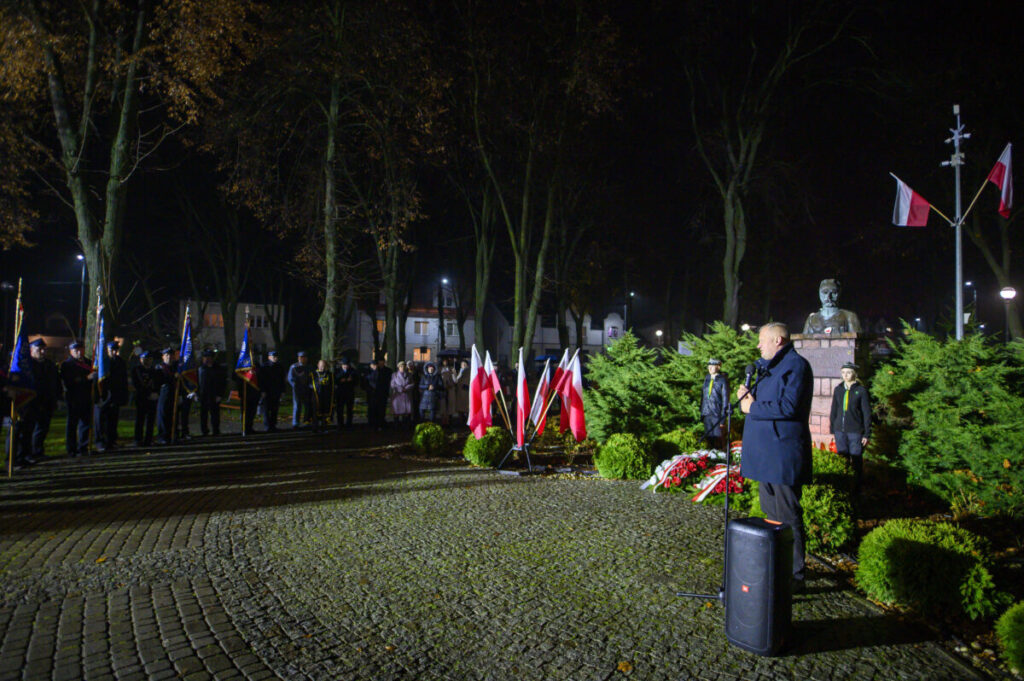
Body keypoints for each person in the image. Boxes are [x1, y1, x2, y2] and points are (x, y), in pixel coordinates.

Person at [738, 322, 813, 593]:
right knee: (771, 514)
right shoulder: (769, 369)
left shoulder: (796, 366)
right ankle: (778, 566)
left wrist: (753, 406)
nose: (758, 345)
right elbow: (768, 402)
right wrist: (749, 397)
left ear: (778, 340)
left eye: (762, 340)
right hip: (767, 455)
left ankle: (796, 575)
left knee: (788, 515)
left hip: (782, 454)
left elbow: (789, 406)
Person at [829, 361, 871, 497]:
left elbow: (866, 412)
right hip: (839, 430)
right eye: (843, 373)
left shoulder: (861, 391)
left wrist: (866, 433)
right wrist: (832, 430)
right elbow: (834, 410)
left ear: (854, 374)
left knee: (856, 459)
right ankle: (844, 487)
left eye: (848, 372)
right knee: (843, 458)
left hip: (855, 431)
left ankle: (857, 488)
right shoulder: (838, 389)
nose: (845, 375)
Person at [60, 341, 93, 457]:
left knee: (85, 423)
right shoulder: (67, 365)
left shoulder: (89, 362)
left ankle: (83, 446)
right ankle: (71, 449)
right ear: (71, 351)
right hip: (74, 398)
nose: (79, 352)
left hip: (87, 397)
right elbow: (70, 381)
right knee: (72, 424)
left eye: (81, 349)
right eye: (76, 350)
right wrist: (86, 378)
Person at [94, 341, 128, 452]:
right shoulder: (103, 362)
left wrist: (123, 396)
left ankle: (111, 441)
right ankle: (100, 442)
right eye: (112, 350)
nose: (114, 352)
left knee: (113, 420)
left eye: (116, 350)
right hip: (103, 396)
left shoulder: (120, 362)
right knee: (100, 421)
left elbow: (123, 380)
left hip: (115, 395)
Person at [700, 358, 729, 450]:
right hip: (706, 413)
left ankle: (720, 459)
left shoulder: (722, 380)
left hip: (716, 413)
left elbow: (725, 399)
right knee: (709, 440)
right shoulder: (707, 379)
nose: (710, 368)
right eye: (709, 366)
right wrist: (702, 412)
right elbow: (703, 396)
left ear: (718, 367)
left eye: (713, 366)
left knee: (718, 440)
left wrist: (723, 419)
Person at [131, 351, 159, 447]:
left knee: (151, 420)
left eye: (149, 359)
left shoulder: (154, 371)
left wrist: (155, 393)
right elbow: (137, 384)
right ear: (141, 359)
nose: (147, 361)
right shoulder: (137, 370)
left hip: (152, 398)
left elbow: (156, 383)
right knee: (140, 419)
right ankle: (138, 439)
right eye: (145, 359)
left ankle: (149, 439)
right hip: (141, 397)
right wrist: (147, 393)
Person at [197, 349, 226, 436]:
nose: (207, 359)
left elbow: (222, 382)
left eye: (209, 357)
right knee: (203, 414)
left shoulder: (218, 369)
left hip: (214, 395)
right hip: (203, 395)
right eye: (205, 357)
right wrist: (196, 394)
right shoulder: (200, 369)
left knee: (215, 414)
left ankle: (216, 430)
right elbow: (197, 383)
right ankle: (204, 431)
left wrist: (220, 394)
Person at [259, 350, 285, 432]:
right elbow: (261, 380)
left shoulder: (279, 366)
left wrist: (283, 391)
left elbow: (282, 380)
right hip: (267, 391)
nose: (275, 358)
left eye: (276, 357)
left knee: (275, 409)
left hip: (276, 391)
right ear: (269, 357)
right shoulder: (264, 367)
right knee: (266, 410)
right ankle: (267, 426)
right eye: (273, 357)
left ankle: (273, 425)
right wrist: (262, 390)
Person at [154, 347, 177, 444]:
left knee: (173, 414)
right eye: (167, 355)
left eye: (171, 355)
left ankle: (172, 435)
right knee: (162, 415)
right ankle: (162, 436)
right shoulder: (159, 367)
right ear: (163, 357)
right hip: (163, 393)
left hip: (174, 393)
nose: (169, 357)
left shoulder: (176, 368)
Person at [287, 351, 312, 429]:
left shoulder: (309, 367)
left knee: (307, 406)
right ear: (298, 358)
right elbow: (290, 378)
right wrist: (295, 385)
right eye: (301, 357)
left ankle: (307, 421)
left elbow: (312, 378)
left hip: (307, 388)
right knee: (297, 406)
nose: (302, 359)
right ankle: (295, 423)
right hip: (297, 389)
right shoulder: (294, 367)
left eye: (304, 357)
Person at [364, 357, 390, 430]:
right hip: (371, 394)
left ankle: (379, 423)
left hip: (380, 394)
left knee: (380, 409)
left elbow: (384, 382)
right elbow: (366, 382)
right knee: (371, 410)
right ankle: (371, 424)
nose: (375, 366)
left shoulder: (381, 372)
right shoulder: (368, 372)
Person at [311, 359, 335, 433]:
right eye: (321, 366)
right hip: (316, 396)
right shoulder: (313, 374)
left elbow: (332, 385)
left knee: (325, 412)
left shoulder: (329, 374)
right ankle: (315, 428)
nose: (322, 368)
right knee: (316, 412)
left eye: (324, 366)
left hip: (326, 396)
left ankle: (324, 427)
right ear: (318, 365)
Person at [334, 356, 357, 428]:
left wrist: (351, 380)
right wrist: (340, 380)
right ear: (342, 365)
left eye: (347, 365)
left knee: (349, 409)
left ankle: (349, 424)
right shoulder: (337, 370)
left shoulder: (353, 371)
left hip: (349, 392)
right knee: (340, 409)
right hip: (340, 392)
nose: (346, 366)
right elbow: (335, 380)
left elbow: (357, 382)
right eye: (344, 365)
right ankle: (340, 424)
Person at [389, 361, 413, 428]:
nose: (402, 368)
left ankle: (405, 426)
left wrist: (406, 388)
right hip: (397, 395)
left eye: (404, 366)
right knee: (397, 411)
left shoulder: (409, 374)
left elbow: (412, 384)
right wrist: (400, 389)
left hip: (406, 395)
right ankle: (396, 426)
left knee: (406, 412)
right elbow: (392, 384)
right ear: (398, 367)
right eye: (401, 366)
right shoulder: (395, 375)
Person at [439, 358, 456, 426]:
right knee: (442, 405)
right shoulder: (439, 369)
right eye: (444, 361)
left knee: (450, 405)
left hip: (450, 389)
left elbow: (455, 380)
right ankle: (443, 420)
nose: (445, 362)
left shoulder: (451, 369)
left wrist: (454, 373)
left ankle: (449, 420)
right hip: (442, 389)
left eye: (446, 361)